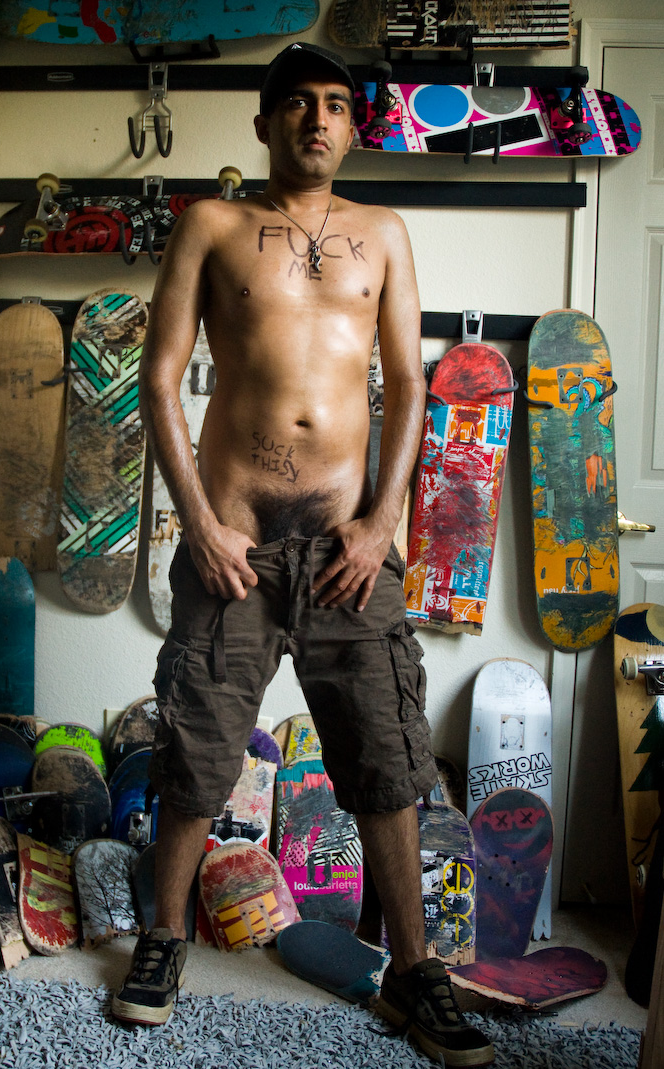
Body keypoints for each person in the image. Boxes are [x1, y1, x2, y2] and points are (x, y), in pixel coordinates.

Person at [112, 41, 494, 1068]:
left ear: (352, 126)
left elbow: (408, 384)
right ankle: (162, 938)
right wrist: (198, 521)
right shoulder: (211, 225)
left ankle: (412, 971)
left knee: (386, 756)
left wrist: (380, 523)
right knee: (196, 750)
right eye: (296, 103)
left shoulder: (383, 233)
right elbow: (159, 377)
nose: (315, 119)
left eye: (333, 104)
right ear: (264, 121)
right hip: (233, 547)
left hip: (346, 553)